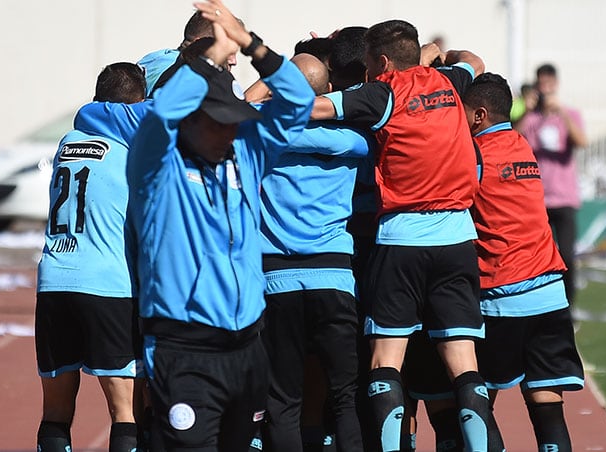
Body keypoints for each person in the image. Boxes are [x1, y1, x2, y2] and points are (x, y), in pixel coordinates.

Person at [126, 0, 314, 449]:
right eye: (218, 122)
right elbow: (161, 114)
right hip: (186, 352)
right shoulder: (156, 168)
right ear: (191, 120)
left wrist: (251, 46)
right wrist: (211, 54)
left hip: (248, 348)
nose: (229, 131)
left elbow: (298, 102)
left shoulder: (245, 153)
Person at [311, 19, 503, 452]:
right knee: (464, 366)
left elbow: (317, 108)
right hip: (456, 239)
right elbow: (474, 60)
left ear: (380, 62)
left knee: (385, 362)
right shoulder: (451, 81)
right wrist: (436, 52)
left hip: (401, 240)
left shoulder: (382, 91)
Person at [463, 72, 585, 452]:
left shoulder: (475, 155)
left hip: (502, 295)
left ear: (479, 115)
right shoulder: (522, 144)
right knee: (547, 406)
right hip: (550, 292)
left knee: (475, 399)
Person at [258, 52, 371, 452]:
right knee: (344, 399)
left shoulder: (262, 134)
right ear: (327, 94)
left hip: (276, 278)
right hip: (335, 277)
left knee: (284, 401)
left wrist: (274, 81)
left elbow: (240, 108)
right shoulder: (357, 141)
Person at [35, 62, 148, 452]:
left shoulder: (67, 143)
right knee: (125, 411)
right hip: (107, 285)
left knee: (55, 412)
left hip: (54, 281)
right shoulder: (131, 153)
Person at [517, 63, 587, 306]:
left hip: (564, 197)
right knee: (534, 255)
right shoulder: (531, 118)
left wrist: (563, 114)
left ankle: (569, 305)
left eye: (549, 84)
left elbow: (581, 141)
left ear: (556, 84)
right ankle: (538, 304)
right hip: (536, 198)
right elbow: (513, 138)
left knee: (566, 254)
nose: (545, 89)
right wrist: (527, 112)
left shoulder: (570, 114)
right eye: (541, 84)